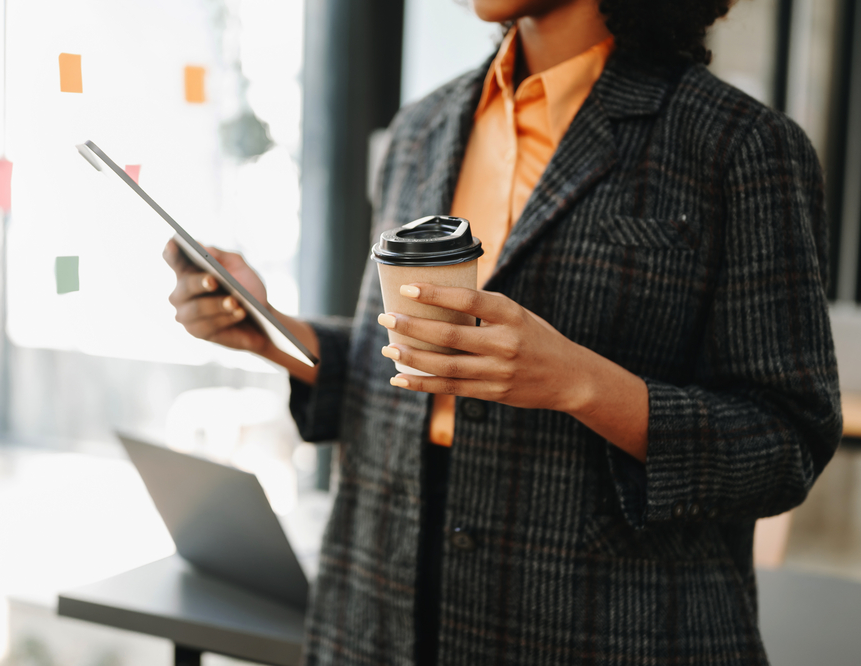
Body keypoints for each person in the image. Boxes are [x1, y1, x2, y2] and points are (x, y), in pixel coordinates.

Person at [163, 0, 843, 663]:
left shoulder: (740, 146)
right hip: (379, 604)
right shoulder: (420, 129)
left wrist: (581, 383)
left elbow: (785, 445)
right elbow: (397, 368)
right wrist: (273, 332)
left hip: (601, 624)